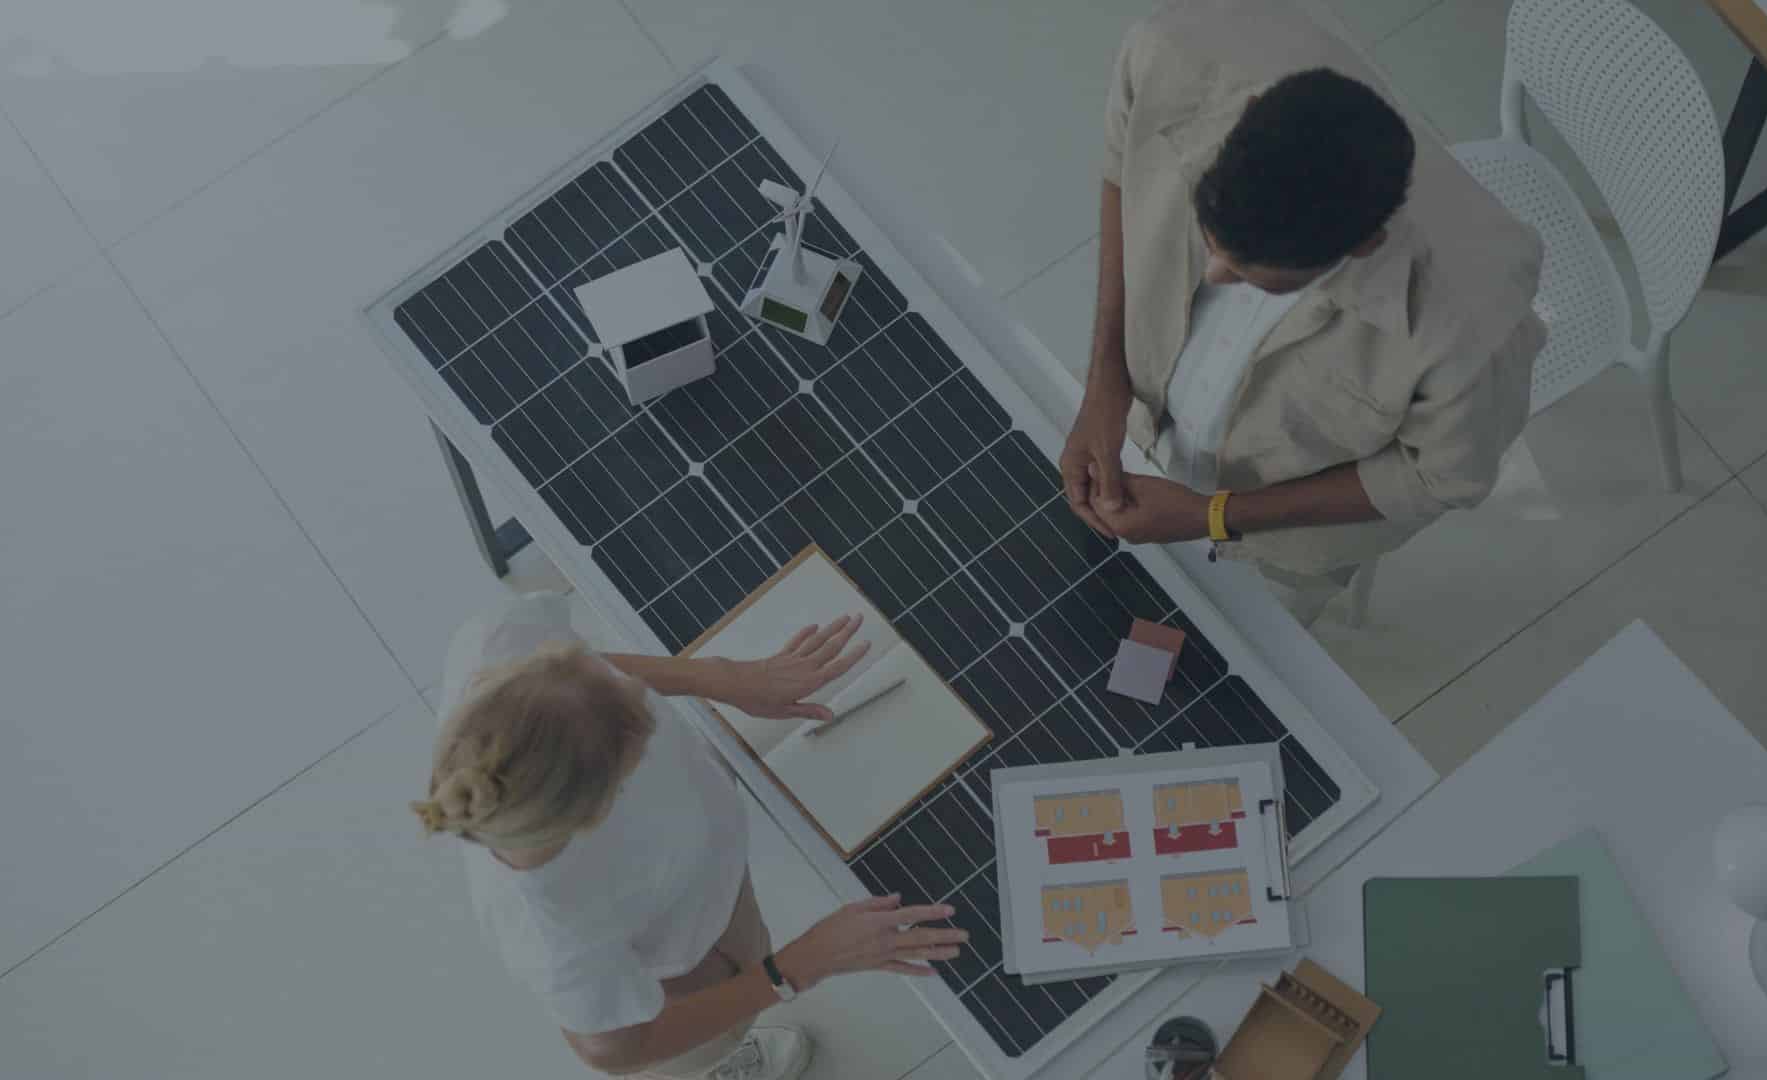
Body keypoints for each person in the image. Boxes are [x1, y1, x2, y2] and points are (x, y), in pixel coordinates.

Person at [1061, 0, 1547, 624]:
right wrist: (1106, 384)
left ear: (1361, 247)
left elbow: (1439, 479)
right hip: (1148, 430)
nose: (1213, 278)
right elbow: (1119, 169)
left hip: (1279, 545)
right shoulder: (1175, 51)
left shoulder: (1476, 328)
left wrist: (1214, 516)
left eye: (1251, 280)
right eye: (1212, 245)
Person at [413, 592, 969, 1079]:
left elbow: (590, 671)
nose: (644, 699)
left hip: (710, 889)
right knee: (693, 1054)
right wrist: (797, 967)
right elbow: (614, 1048)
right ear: (599, 810)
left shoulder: (498, 643)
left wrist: (719, 676)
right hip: (684, 975)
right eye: (639, 731)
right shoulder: (555, 935)